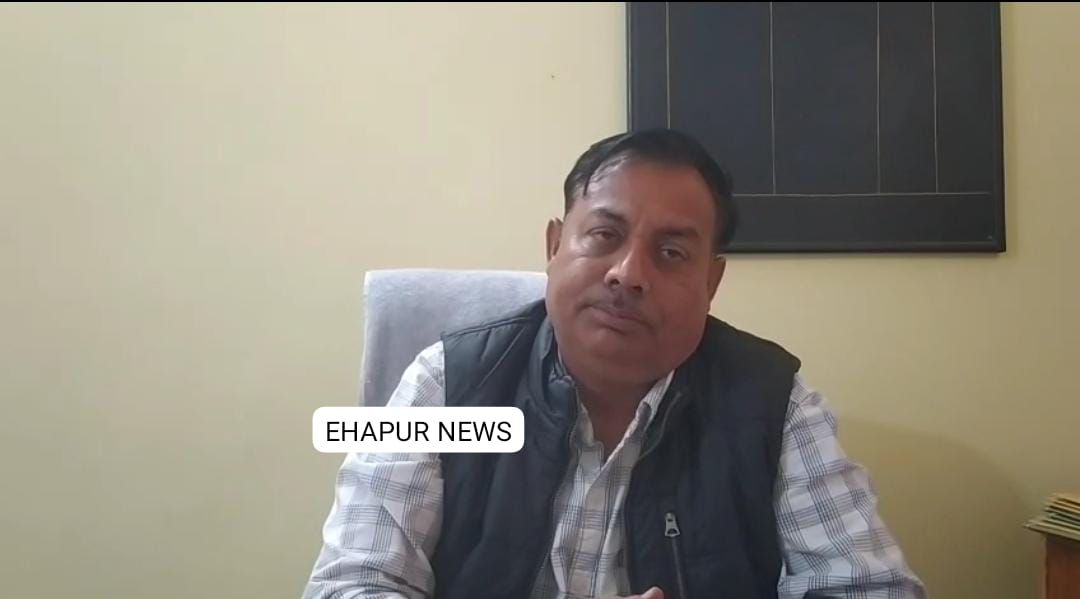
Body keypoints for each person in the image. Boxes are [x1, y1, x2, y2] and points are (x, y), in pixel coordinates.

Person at [302, 129, 927, 599]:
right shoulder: (449, 385)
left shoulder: (772, 407)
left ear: (711, 283)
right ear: (554, 246)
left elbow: (869, 588)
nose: (629, 274)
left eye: (671, 253)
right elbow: (355, 581)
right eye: (604, 235)